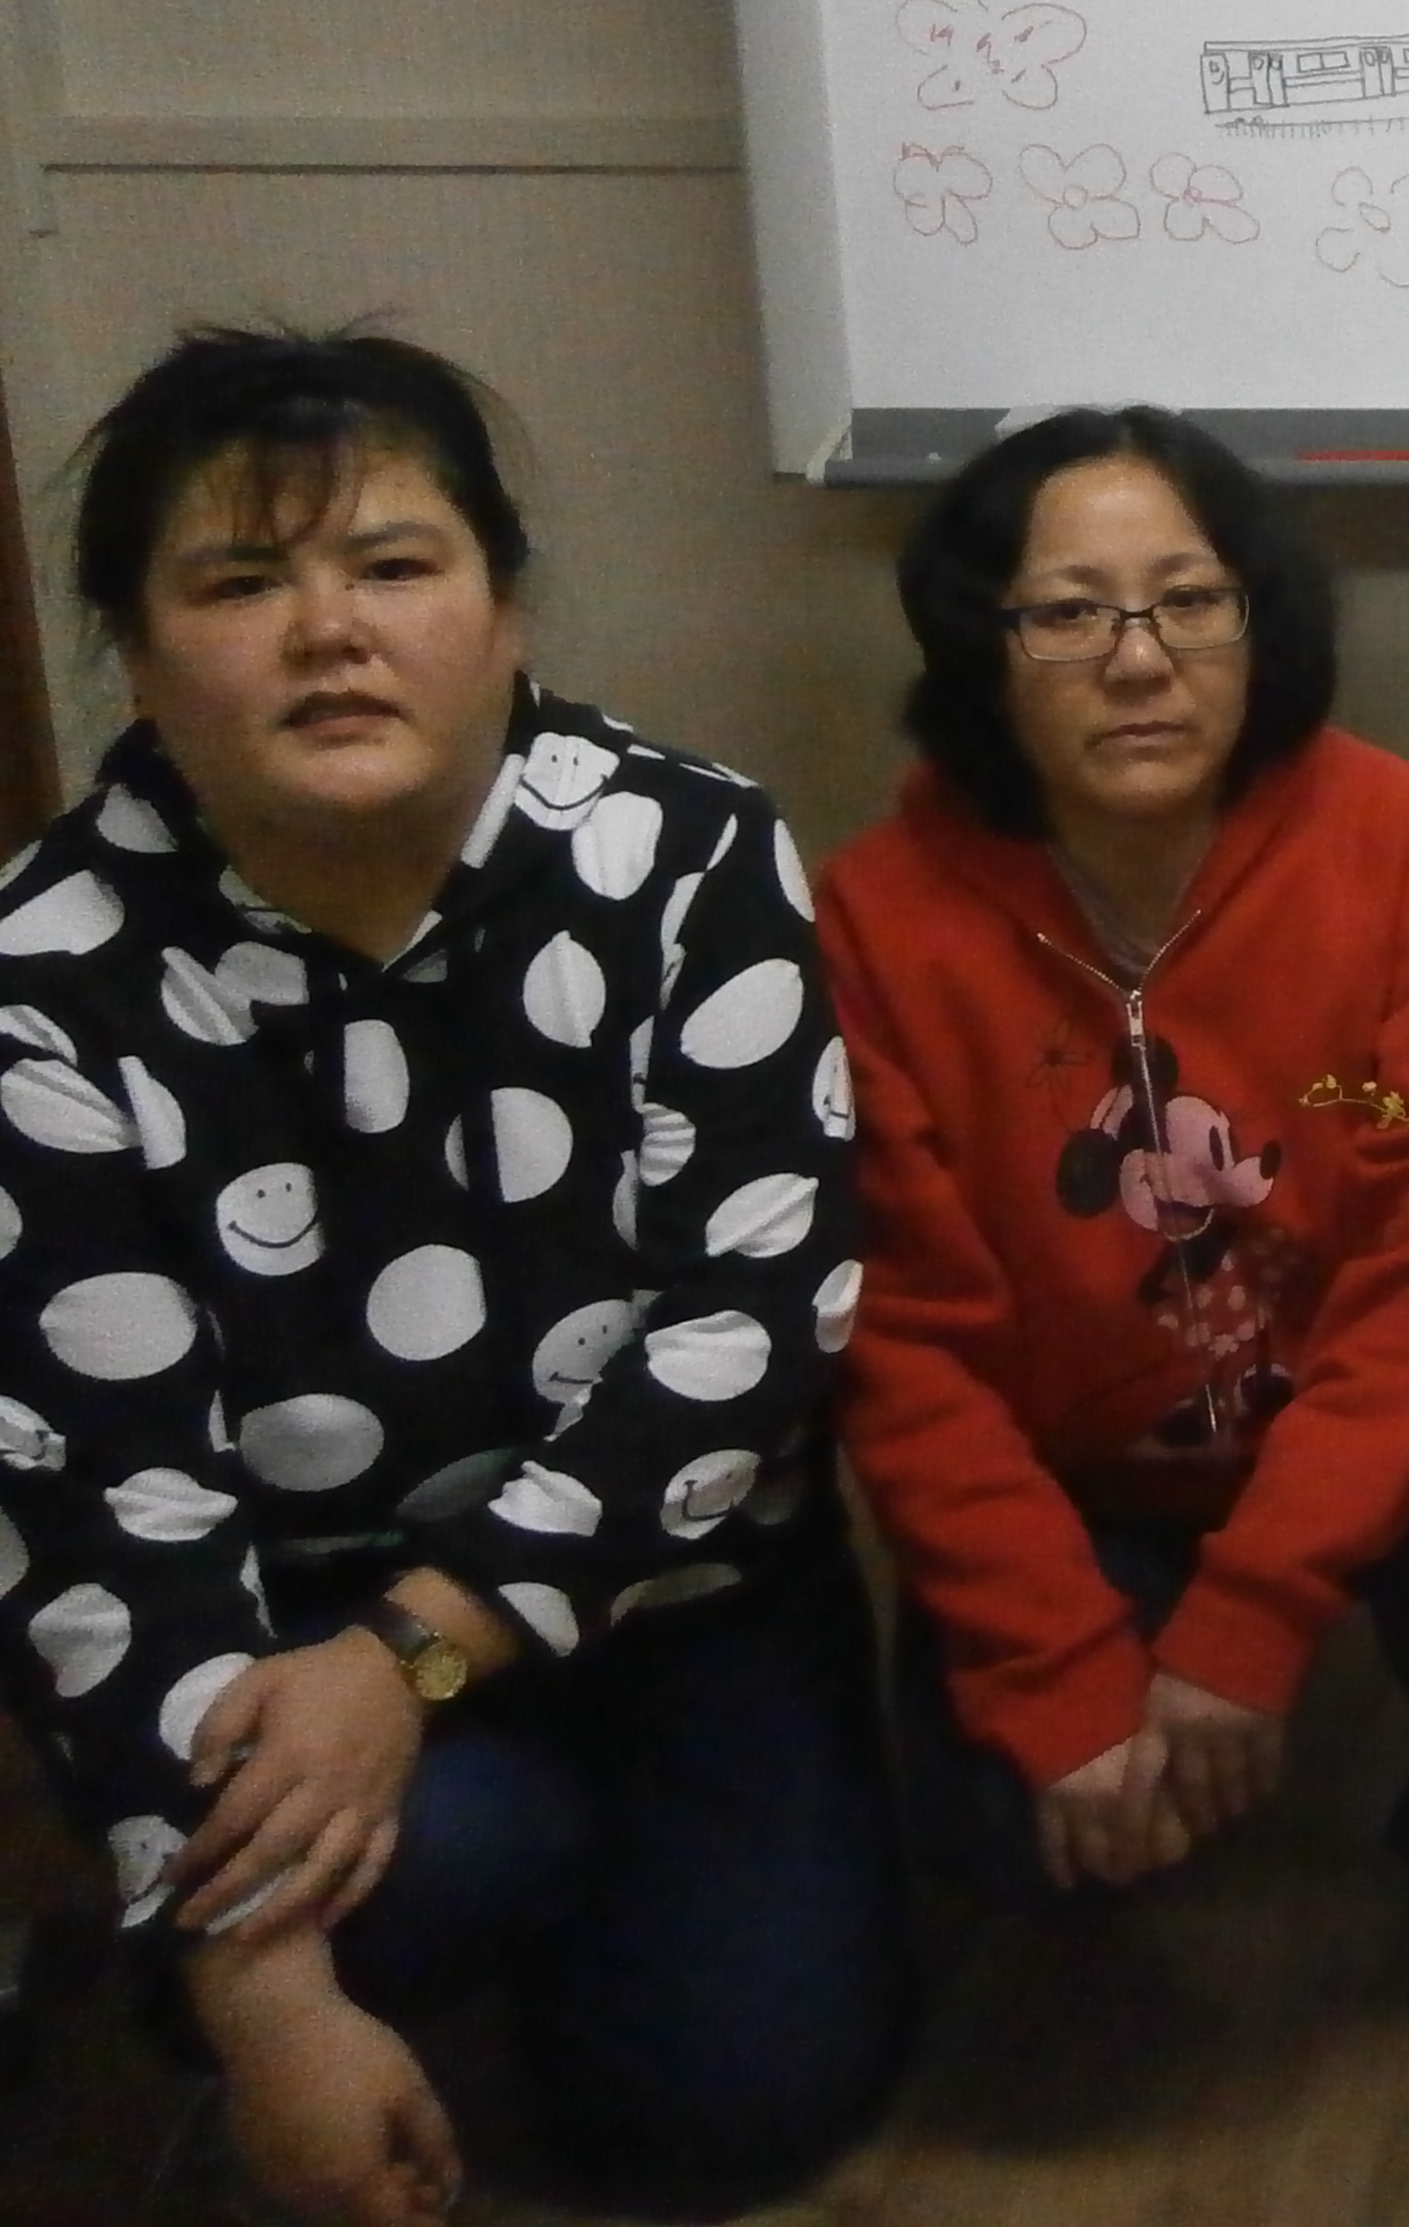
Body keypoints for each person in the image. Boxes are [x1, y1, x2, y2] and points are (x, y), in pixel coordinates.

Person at [0, 327, 904, 2223]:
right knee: (426, 1877)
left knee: (733, 2109)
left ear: (502, 612)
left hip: (674, 1589)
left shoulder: (686, 853)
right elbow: (105, 1504)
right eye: (241, 583)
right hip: (278, 1643)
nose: (330, 631)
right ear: (136, 657)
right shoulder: (42, 978)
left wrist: (418, 1656)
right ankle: (358, 1937)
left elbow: (751, 1327)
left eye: (396, 565)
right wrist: (263, 1995)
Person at [815, 405, 1409, 2056]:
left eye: (1190, 601)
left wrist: (1253, 1621)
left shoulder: (1400, 838)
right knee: (1007, 1848)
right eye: (1067, 613)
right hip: (1077, 1468)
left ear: (1262, 621)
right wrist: (1059, 1671)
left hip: (1344, 1423)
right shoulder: (878, 915)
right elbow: (903, 1346)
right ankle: (1117, 1667)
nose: (1138, 660)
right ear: (982, 647)